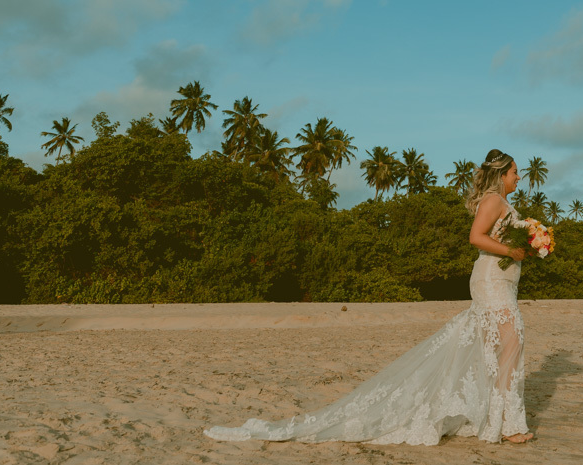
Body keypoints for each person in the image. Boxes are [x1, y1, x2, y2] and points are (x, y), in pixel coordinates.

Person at [204, 149, 535, 446]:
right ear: (501, 175)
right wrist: (511, 251)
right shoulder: (493, 200)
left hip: (503, 282)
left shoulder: (503, 203)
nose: (518, 177)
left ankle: (500, 421)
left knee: (501, 350)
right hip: (492, 282)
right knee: (511, 344)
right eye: (515, 172)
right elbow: (475, 237)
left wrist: (531, 244)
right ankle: (507, 425)